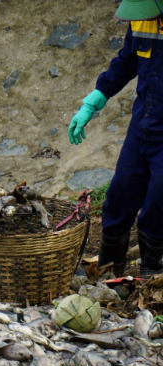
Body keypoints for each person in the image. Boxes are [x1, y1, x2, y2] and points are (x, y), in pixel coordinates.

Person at [68, 0, 163, 277]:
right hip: (142, 125)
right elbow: (127, 60)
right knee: (119, 197)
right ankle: (110, 272)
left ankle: (151, 277)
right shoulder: (142, 18)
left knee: (158, 205)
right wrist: (94, 100)